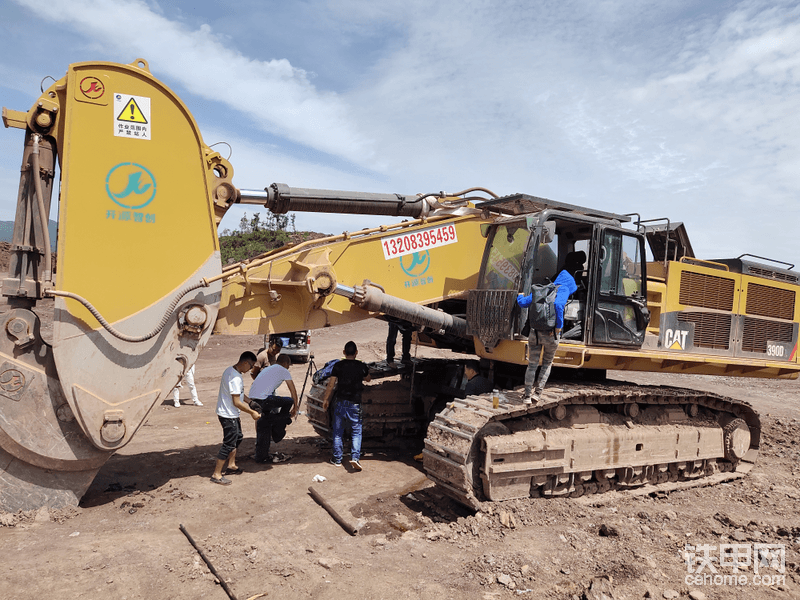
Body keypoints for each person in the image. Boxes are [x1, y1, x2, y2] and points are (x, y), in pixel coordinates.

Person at [517, 268, 577, 404]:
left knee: (532, 364)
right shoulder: (564, 289)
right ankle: (537, 394)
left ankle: (526, 396)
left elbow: (522, 303)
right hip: (551, 334)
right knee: (547, 363)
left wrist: (520, 295)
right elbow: (559, 304)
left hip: (535, 333)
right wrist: (558, 327)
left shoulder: (543, 289)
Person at [211, 351, 261, 485]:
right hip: (228, 414)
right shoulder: (235, 377)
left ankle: (231, 465)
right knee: (228, 443)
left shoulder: (231, 370)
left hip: (228, 413)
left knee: (238, 437)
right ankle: (216, 474)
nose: (250, 369)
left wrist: (250, 402)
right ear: (245, 363)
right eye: (250, 366)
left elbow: (238, 394)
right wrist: (252, 412)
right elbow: (236, 402)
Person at [321, 341, 371, 470]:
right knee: (356, 431)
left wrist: (326, 400)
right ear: (356, 353)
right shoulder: (361, 366)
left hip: (340, 402)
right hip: (355, 403)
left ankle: (337, 459)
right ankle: (355, 458)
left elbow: (331, 385)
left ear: (344, 352)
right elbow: (368, 378)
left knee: (338, 432)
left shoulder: (338, 365)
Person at [248, 354, 299, 463]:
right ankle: (280, 426)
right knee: (289, 401)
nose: (288, 367)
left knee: (263, 425)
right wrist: (295, 408)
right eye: (288, 365)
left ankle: (261, 456)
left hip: (253, 400)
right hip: (264, 399)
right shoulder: (284, 370)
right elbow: (293, 391)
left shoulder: (269, 368)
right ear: (285, 363)